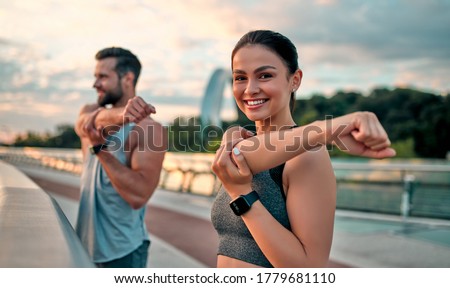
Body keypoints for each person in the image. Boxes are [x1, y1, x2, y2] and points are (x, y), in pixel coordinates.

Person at [210, 30, 396, 268]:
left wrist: (243, 197)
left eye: (265, 75)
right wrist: (326, 129)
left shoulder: (308, 155)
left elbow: (309, 269)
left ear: (294, 80)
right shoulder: (242, 144)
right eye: (240, 78)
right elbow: (245, 152)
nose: (250, 89)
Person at [74, 47, 167, 268]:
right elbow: (87, 123)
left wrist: (101, 151)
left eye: (103, 77)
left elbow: (138, 196)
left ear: (127, 78)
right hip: (83, 247)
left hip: (123, 253)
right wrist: (122, 114)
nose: (95, 84)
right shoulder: (90, 113)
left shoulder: (149, 130)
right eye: (95, 76)